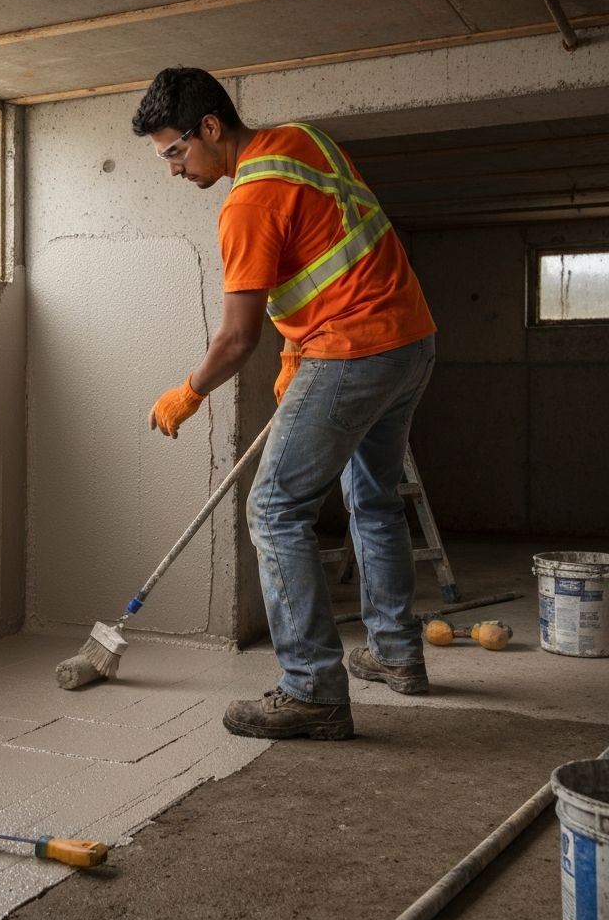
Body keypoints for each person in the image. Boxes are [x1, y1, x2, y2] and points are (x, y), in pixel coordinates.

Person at [132, 66, 437, 741]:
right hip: (409, 340)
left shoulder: (247, 202)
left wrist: (189, 393)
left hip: (353, 351)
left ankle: (312, 690)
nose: (174, 170)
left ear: (211, 128)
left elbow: (239, 339)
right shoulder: (304, 141)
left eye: (176, 152)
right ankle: (395, 653)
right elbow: (335, 250)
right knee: (375, 495)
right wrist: (300, 351)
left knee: (273, 509)